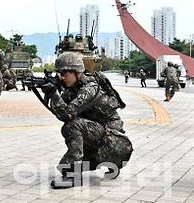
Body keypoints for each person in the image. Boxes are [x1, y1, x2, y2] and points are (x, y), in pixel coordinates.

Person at [44, 52, 133, 189]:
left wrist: (55, 94)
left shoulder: (89, 88)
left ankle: (72, 175)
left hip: (110, 136)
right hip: (98, 131)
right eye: (59, 74)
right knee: (71, 127)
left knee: (73, 125)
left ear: (77, 72)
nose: (61, 78)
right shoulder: (72, 89)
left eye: (64, 74)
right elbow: (62, 115)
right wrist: (53, 94)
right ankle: (110, 164)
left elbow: (68, 115)